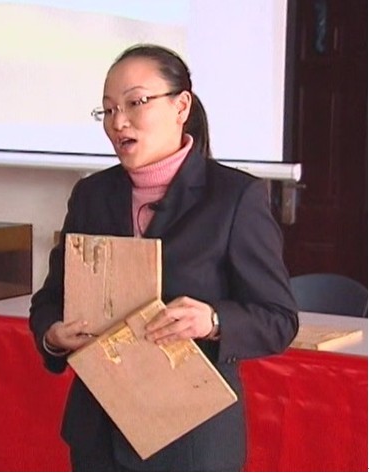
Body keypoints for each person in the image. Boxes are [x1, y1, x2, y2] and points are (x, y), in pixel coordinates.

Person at [29, 43, 298, 472]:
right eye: (108, 110)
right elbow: (49, 300)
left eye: (136, 103)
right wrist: (53, 335)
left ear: (181, 106)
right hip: (98, 433)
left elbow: (279, 319)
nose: (119, 122)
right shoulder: (92, 195)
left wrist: (213, 320)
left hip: (191, 439)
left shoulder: (234, 197)